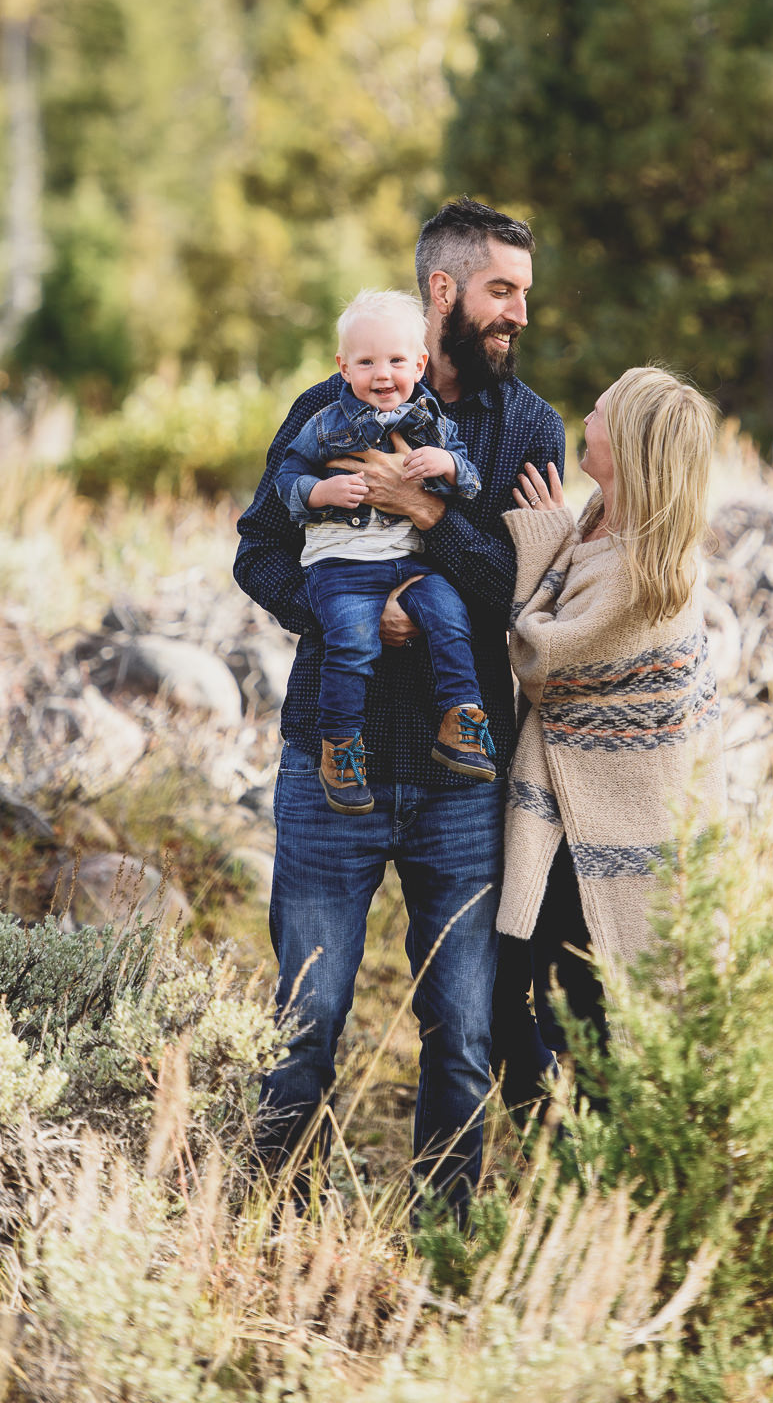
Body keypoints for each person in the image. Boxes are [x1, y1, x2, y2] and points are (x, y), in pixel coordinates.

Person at [234, 199, 564, 1204]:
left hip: (462, 779)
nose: (514, 314)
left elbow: (519, 591)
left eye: (522, 295)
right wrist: (344, 611)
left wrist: (424, 507)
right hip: (330, 768)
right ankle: (267, 1229)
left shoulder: (525, 429)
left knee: (460, 1033)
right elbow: (256, 550)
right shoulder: (323, 407)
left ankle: (444, 1226)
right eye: (499, 291)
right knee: (303, 1023)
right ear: (441, 292)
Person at [495, 365, 725, 1109]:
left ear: (623, 444)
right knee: (557, 1018)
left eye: (596, 413)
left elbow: (543, 663)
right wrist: (561, 534)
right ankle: (569, 1174)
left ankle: (601, 1197)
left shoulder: (642, 571)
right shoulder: (600, 524)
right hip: (579, 821)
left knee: (594, 1034)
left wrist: (536, 545)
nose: (582, 419)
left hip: (612, 840)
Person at [273, 288, 495, 813]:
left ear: (419, 364)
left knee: (449, 615)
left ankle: (460, 720)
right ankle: (341, 748)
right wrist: (319, 493)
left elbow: (471, 479)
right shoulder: (324, 421)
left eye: (396, 361)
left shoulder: (431, 423)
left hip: (411, 563)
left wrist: (445, 466)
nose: (382, 374)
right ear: (343, 367)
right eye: (367, 362)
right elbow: (287, 476)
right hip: (342, 567)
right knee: (352, 645)